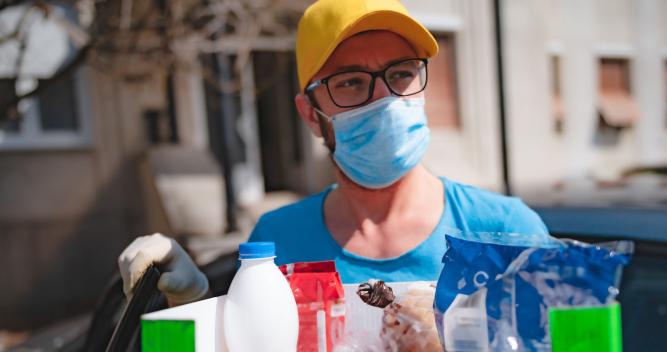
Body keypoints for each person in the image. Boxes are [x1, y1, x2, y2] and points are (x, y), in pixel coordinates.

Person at [118, 0, 548, 305]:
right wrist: (196, 305)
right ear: (310, 114)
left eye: (400, 74)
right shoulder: (276, 243)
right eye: (350, 83)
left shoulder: (506, 231)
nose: (383, 100)